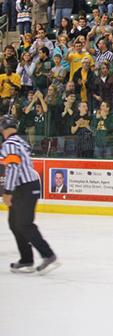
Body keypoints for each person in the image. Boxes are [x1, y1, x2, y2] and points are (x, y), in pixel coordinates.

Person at [0, 115, 57, 274]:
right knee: (14, 223)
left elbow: (12, 168)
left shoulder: (10, 144)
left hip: (25, 188)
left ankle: (48, 255)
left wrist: (8, 192)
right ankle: (26, 260)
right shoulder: (19, 141)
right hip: (24, 187)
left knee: (24, 224)